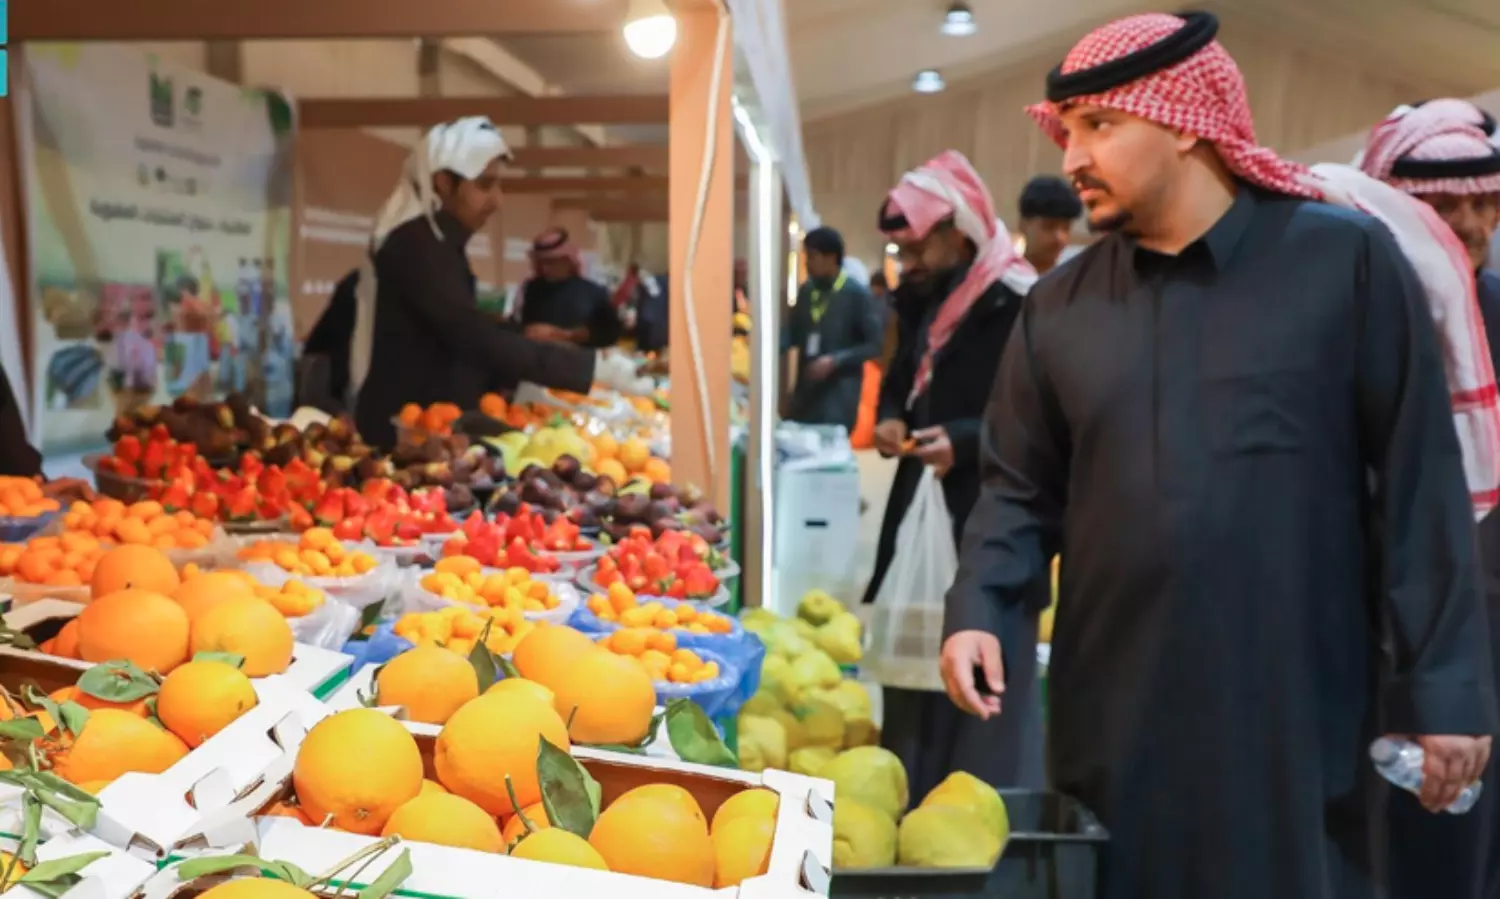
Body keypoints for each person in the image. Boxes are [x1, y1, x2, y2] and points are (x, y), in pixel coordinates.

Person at [937, 13, 1500, 899]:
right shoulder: (1060, 307)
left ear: (1185, 123)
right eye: (1067, 130)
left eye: (1099, 125)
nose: (1073, 157)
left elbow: (1418, 483)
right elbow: (1017, 490)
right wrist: (978, 605)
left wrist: (1446, 689)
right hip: (1114, 714)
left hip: (1299, 715)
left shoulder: (1343, 263)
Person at [864, 150, 1047, 800]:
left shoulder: (1020, 302)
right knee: (912, 681)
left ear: (960, 231)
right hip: (921, 502)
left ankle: (970, 818)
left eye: (919, 246)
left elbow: (1042, 416)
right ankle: (908, 801)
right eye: (901, 250)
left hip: (990, 514)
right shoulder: (924, 300)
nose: (908, 262)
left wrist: (966, 442)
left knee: (979, 691)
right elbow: (901, 376)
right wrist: (892, 417)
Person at [1356, 98, 1500, 899]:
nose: (1470, 225)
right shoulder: (1350, 315)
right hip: (1367, 633)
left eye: (1485, 203)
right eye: (1444, 205)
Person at [350, 118, 600, 450]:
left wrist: (521, 341)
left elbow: (461, 327)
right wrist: (587, 369)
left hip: (434, 425)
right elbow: (469, 335)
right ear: (443, 183)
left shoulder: (439, 243)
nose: (497, 200)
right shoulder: (415, 246)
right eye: (484, 185)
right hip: (406, 433)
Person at [780, 227, 884, 431]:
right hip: (806, 396)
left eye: (813, 257)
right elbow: (792, 333)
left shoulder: (856, 294)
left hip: (839, 398)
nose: (807, 263)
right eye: (806, 256)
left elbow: (874, 345)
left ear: (831, 258)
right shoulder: (807, 291)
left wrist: (836, 360)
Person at [514, 228, 622, 349]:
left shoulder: (594, 293)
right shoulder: (531, 289)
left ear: (568, 261)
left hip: (577, 358)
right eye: (541, 262)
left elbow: (610, 334)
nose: (545, 268)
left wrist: (564, 335)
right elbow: (520, 324)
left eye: (551, 262)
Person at [1016, 175, 1083, 273]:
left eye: (1066, 228)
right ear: (1023, 225)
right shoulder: (1003, 277)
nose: (1060, 237)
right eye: (1049, 226)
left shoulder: (1075, 278)